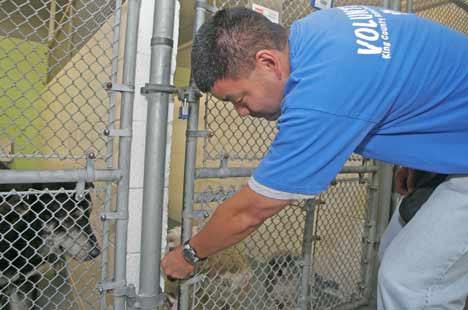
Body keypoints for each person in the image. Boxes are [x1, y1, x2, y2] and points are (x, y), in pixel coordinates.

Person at [161, 5, 468, 309]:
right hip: (454, 151)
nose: (241, 112)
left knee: (410, 284)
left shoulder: (319, 94)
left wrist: (189, 254)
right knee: (393, 252)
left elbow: (251, 211)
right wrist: (419, 159)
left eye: (238, 98)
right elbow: (412, 81)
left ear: (268, 62)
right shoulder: (318, 29)